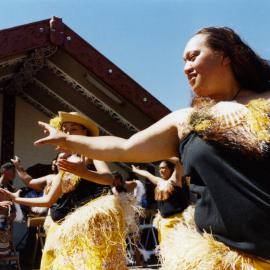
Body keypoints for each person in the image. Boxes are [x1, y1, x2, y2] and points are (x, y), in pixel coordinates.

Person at [33, 27, 270, 269]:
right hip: (225, 259)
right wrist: (65, 140)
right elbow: (125, 147)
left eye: (193, 56)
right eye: (183, 61)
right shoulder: (186, 120)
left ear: (225, 55)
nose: (186, 67)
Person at [1, 111, 138, 270]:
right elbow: (48, 200)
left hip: (94, 223)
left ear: (85, 132)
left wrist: (84, 172)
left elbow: (108, 178)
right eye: (65, 130)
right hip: (71, 226)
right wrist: (14, 198)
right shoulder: (64, 164)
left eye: (73, 129)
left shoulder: (91, 152)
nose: (67, 133)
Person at [132, 159, 189, 244]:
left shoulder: (175, 180)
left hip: (177, 222)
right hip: (164, 223)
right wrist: (136, 170)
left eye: (163, 168)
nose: (161, 171)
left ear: (170, 169)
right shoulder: (159, 182)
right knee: (165, 249)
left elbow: (178, 164)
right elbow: (147, 174)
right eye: (159, 168)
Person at [0, 163, 16, 257]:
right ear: (5, 171)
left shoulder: (11, 188)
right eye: (13, 171)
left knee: (3, 253)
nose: (15, 174)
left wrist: (13, 213)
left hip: (5, 224)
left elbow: (12, 205)